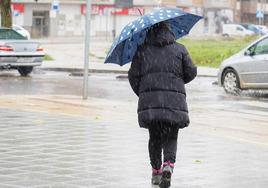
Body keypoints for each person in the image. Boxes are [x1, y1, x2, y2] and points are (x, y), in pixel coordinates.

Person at [128, 21, 197, 188]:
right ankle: (168, 165)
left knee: (155, 137)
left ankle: (156, 171)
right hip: (174, 102)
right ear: (170, 30)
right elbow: (191, 72)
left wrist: (144, 92)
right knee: (171, 135)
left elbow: (133, 76)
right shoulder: (179, 49)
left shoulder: (142, 50)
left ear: (149, 33)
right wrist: (177, 81)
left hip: (151, 104)